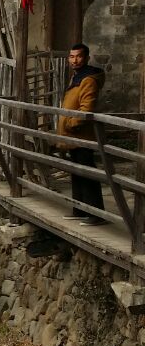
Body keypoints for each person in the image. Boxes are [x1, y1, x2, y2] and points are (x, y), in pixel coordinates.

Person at [57, 42, 106, 226]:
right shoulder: (77, 77)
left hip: (81, 135)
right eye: (71, 56)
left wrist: (71, 123)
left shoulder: (88, 79)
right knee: (76, 173)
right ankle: (79, 209)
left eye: (78, 56)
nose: (74, 60)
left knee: (87, 173)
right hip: (72, 136)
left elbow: (87, 108)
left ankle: (96, 214)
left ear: (86, 58)